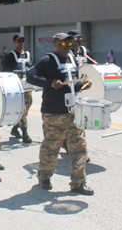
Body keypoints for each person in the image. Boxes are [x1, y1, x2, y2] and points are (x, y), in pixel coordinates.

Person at [27, 32, 94, 195]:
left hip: (74, 111)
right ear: (55, 44)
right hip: (54, 113)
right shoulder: (47, 60)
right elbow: (30, 76)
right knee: (51, 147)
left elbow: (74, 83)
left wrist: (82, 85)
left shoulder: (72, 59)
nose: (68, 46)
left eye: (69, 43)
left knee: (78, 147)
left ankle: (78, 182)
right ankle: (44, 177)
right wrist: (50, 83)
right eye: (64, 43)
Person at [2, 33, 33, 143]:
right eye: (19, 41)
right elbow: (5, 71)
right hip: (17, 86)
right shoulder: (11, 55)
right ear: (14, 43)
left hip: (27, 86)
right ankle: (25, 133)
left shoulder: (27, 55)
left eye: (22, 40)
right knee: (22, 109)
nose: (21, 43)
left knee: (27, 107)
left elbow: (31, 67)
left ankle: (15, 128)